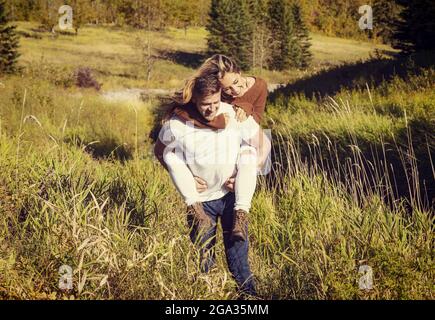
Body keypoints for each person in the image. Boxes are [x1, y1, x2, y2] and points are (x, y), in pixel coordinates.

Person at [154, 74, 271, 296]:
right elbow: (160, 152)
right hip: (202, 203)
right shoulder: (178, 124)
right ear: (195, 101)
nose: (211, 109)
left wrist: (250, 171)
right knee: (204, 261)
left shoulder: (232, 114)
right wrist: (186, 176)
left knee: (238, 261)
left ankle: (250, 299)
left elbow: (263, 144)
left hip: (231, 200)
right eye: (205, 104)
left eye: (216, 103)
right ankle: (211, 297)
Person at [156, 54, 269, 241]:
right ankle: (195, 209)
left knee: (249, 155)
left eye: (236, 81)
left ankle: (242, 214)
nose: (234, 90)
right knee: (173, 156)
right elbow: (211, 113)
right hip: (226, 140)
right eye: (227, 89)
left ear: (239, 71)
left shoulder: (259, 85)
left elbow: (259, 130)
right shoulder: (220, 103)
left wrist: (253, 170)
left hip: (246, 138)